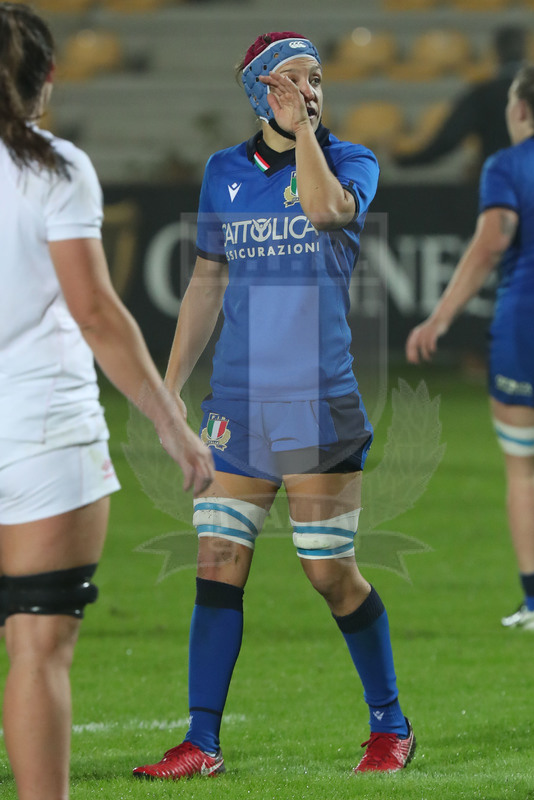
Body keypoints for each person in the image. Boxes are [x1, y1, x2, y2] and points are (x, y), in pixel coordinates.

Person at [132, 31, 415, 780]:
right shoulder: (223, 172)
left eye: (315, 78)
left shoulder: (350, 160)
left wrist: (305, 134)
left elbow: (324, 212)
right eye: (291, 80)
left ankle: (390, 724)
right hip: (237, 404)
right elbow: (206, 282)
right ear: (260, 91)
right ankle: (201, 742)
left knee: (329, 574)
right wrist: (168, 389)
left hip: (319, 402)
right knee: (218, 561)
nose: (309, 90)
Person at [0, 4, 214, 799]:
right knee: (38, 651)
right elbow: (93, 311)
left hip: (39, 429)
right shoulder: (55, 168)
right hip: (42, 433)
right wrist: (170, 421)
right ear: (48, 77)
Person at [406, 65, 534, 632]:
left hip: (529, 323)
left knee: (525, 470)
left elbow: (491, 243)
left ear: (521, 111)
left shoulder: (507, 165)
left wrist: (440, 318)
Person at [393, 26, 528, 179]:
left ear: (496, 53)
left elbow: (447, 140)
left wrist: (405, 161)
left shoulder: (482, 94)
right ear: (525, 51)